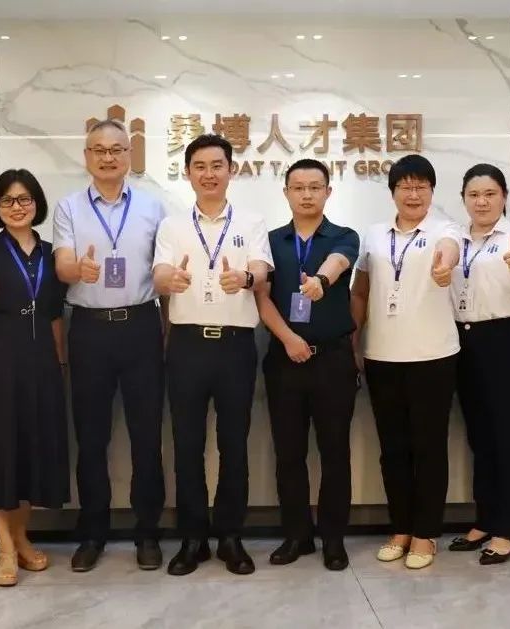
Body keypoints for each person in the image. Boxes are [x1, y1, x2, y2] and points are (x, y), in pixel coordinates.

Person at [153, 134, 273, 576]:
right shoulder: (172, 225)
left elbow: (261, 271)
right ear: (188, 173)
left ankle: (230, 536)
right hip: (186, 344)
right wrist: (169, 281)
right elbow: (159, 272)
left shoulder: (252, 221)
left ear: (230, 170)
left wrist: (244, 278)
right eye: (200, 166)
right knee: (187, 444)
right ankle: (192, 538)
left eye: (217, 165)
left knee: (233, 444)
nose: (209, 174)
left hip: (236, 346)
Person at [53, 119, 168, 572]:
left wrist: (166, 329)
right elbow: (62, 264)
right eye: (98, 150)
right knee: (91, 438)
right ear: (86, 157)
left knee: (146, 436)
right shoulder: (69, 207)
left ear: (129, 155)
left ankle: (148, 532)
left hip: (141, 326)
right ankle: (92, 533)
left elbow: (163, 272)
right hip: (89, 329)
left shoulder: (153, 207)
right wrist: (76, 270)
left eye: (116, 149)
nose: (107, 157)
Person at [350, 154, 461, 570]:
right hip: (382, 355)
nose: (413, 194)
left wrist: (444, 266)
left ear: (432, 191)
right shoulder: (375, 235)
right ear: (393, 191)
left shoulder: (444, 230)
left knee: (429, 448)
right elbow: (360, 291)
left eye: (421, 187)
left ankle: (426, 533)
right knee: (393, 449)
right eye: (405, 187)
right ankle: (400, 528)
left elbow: (449, 251)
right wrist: (354, 339)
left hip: (433, 356)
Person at [0, 169, 69, 587]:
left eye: (24, 199)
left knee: (31, 450)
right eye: (7, 200)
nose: (17, 207)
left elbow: (56, 314)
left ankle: (21, 535)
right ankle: (5, 545)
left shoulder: (50, 253)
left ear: (36, 204)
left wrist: (60, 363)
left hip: (41, 362)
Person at [255, 159, 359, 571]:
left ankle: (333, 538)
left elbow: (339, 261)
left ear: (328, 192)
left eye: (315, 187)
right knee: (288, 453)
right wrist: (289, 339)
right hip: (284, 359)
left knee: (335, 452)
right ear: (286, 193)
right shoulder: (270, 241)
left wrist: (320, 281)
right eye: (298, 187)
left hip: (333, 360)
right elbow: (261, 297)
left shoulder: (344, 236)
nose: (307, 194)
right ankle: (296, 535)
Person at [447, 164, 510, 565]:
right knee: (479, 436)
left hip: (504, 338)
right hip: (461, 340)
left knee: (507, 436)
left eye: (490, 194)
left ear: (504, 196)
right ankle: (484, 519)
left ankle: (506, 529)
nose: (482, 202)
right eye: (473, 195)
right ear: (463, 199)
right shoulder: (454, 238)